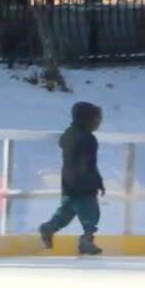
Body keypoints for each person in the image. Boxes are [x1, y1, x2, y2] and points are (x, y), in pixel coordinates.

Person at [39, 102, 105, 256]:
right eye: (97, 120)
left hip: (68, 182)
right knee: (91, 214)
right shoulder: (88, 139)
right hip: (84, 184)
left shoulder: (69, 135)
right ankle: (87, 240)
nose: (99, 123)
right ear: (87, 119)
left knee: (66, 212)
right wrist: (95, 181)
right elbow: (88, 164)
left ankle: (49, 227)